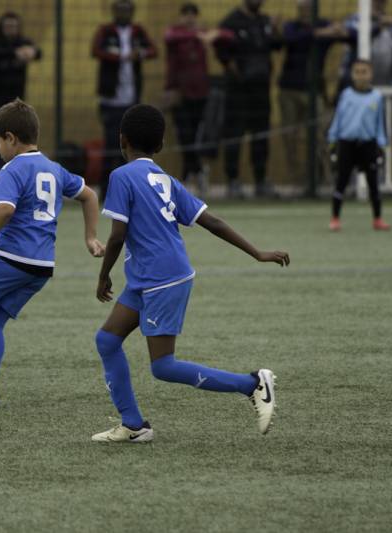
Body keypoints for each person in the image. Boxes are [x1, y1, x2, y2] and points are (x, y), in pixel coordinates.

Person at [90, 104, 290, 443]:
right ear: (161, 144)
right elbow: (210, 220)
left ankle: (253, 383)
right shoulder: (165, 180)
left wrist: (103, 274)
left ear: (121, 140)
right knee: (107, 340)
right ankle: (134, 425)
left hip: (161, 278)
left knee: (163, 366)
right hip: (150, 276)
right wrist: (256, 252)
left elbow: (117, 234)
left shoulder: (121, 176)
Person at [0, 99, 104, 407]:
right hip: (41, 266)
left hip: (11, 256)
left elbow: (5, 211)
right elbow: (90, 196)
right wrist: (90, 237)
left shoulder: (11, 170)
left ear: (10, 138)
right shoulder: (53, 168)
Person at [215, 0, 282, 198]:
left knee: (261, 136)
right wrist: (234, 70)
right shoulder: (230, 22)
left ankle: (260, 181)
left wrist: (276, 29)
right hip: (237, 90)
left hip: (261, 89)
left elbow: (277, 46)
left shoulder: (264, 21)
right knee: (234, 135)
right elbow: (221, 52)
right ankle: (233, 180)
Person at [92, 0, 157, 201]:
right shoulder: (105, 31)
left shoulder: (138, 31)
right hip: (111, 100)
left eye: (127, 10)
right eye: (120, 10)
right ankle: (105, 190)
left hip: (131, 100)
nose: (123, 13)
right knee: (111, 146)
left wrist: (140, 54)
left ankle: (128, 191)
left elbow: (154, 51)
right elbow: (96, 51)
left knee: (132, 148)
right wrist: (119, 56)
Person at [163, 2, 230, 193]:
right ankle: (196, 171)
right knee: (184, 135)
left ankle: (190, 173)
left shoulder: (204, 34)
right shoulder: (176, 34)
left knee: (197, 136)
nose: (190, 18)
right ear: (181, 16)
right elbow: (169, 37)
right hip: (180, 93)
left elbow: (227, 36)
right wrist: (200, 35)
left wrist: (214, 34)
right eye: (186, 14)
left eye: (193, 14)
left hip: (201, 93)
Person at [278, 0, 345, 186]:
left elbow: (348, 34)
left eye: (308, 6)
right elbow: (290, 38)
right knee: (289, 137)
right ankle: (296, 179)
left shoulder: (325, 24)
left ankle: (323, 177)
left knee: (321, 135)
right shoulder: (292, 26)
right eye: (302, 7)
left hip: (314, 91)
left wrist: (338, 28)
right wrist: (319, 33)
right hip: (289, 89)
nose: (305, 10)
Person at [328, 60, 390, 232]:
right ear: (352, 75)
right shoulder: (346, 94)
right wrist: (332, 139)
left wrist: (382, 144)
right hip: (347, 143)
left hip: (368, 144)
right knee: (341, 181)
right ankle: (335, 218)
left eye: (365, 72)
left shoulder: (376, 97)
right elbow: (338, 119)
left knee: (373, 183)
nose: (361, 75)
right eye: (357, 72)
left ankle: (377, 219)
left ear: (371, 74)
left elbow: (380, 123)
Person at [0, 12, 41, 184]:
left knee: (18, 145)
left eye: (14, 26)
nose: (11, 30)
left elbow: (38, 52)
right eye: (8, 26)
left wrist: (32, 51)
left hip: (15, 104)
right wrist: (16, 54)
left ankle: (17, 183)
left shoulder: (23, 42)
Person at [340, 0, 392, 92]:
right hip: (356, 84)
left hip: (385, 84)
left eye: (381, 2)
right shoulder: (354, 20)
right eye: (375, 1)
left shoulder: (391, 25)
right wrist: (379, 27)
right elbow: (355, 37)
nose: (378, 5)